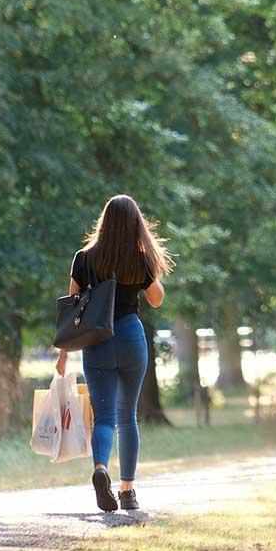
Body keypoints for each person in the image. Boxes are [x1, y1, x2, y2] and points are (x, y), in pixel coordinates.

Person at [56, 195, 170, 513]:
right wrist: (149, 268)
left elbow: (72, 307)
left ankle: (101, 468)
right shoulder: (139, 258)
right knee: (128, 417)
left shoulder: (84, 258)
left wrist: (64, 352)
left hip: (98, 341)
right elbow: (157, 299)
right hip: (131, 336)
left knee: (104, 418)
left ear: (103, 222)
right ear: (137, 224)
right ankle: (128, 490)